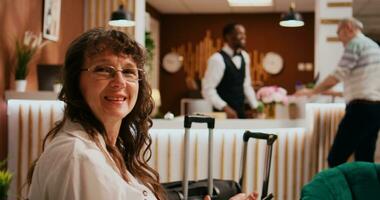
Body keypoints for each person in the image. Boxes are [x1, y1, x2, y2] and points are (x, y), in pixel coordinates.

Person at [27, 28, 258, 200]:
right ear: (76, 82)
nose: (119, 82)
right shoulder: (78, 158)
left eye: (128, 71)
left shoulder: (111, 148)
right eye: (103, 70)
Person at [295, 18, 380, 167]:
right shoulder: (374, 47)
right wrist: (329, 92)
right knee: (364, 160)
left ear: (348, 27)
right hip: (375, 109)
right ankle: (364, 191)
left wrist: (312, 91)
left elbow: (337, 75)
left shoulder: (355, 44)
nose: (340, 40)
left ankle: (337, 191)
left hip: (360, 109)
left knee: (336, 158)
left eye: (338, 33)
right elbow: (363, 86)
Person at [202, 23, 258, 119]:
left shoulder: (245, 56)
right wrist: (225, 107)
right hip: (222, 115)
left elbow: (246, 85)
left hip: (240, 113)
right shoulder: (217, 59)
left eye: (244, 34)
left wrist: (255, 106)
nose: (244, 36)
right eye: (240, 34)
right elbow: (207, 90)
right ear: (228, 36)